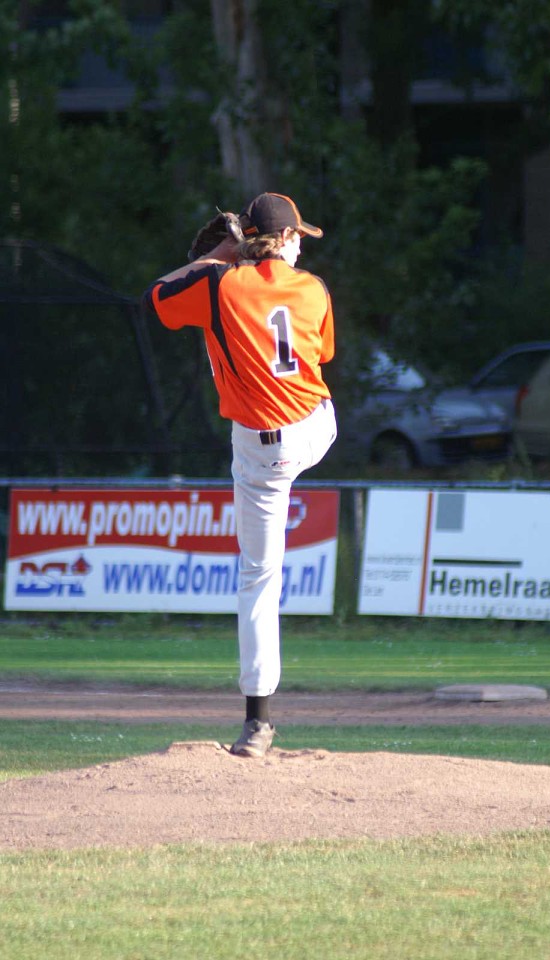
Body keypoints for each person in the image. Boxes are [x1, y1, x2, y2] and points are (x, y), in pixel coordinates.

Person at [142, 192, 337, 755]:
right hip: (316, 427)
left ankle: (258, 722)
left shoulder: (218, 283)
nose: (302, 245)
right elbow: (321, 354)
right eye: (299, 236)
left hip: (261, 451)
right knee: (306, 408)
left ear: (246, 241)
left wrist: (217, 259)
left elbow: (154, 299)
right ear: (287, 240)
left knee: (258, 577)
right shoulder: (315, 289)